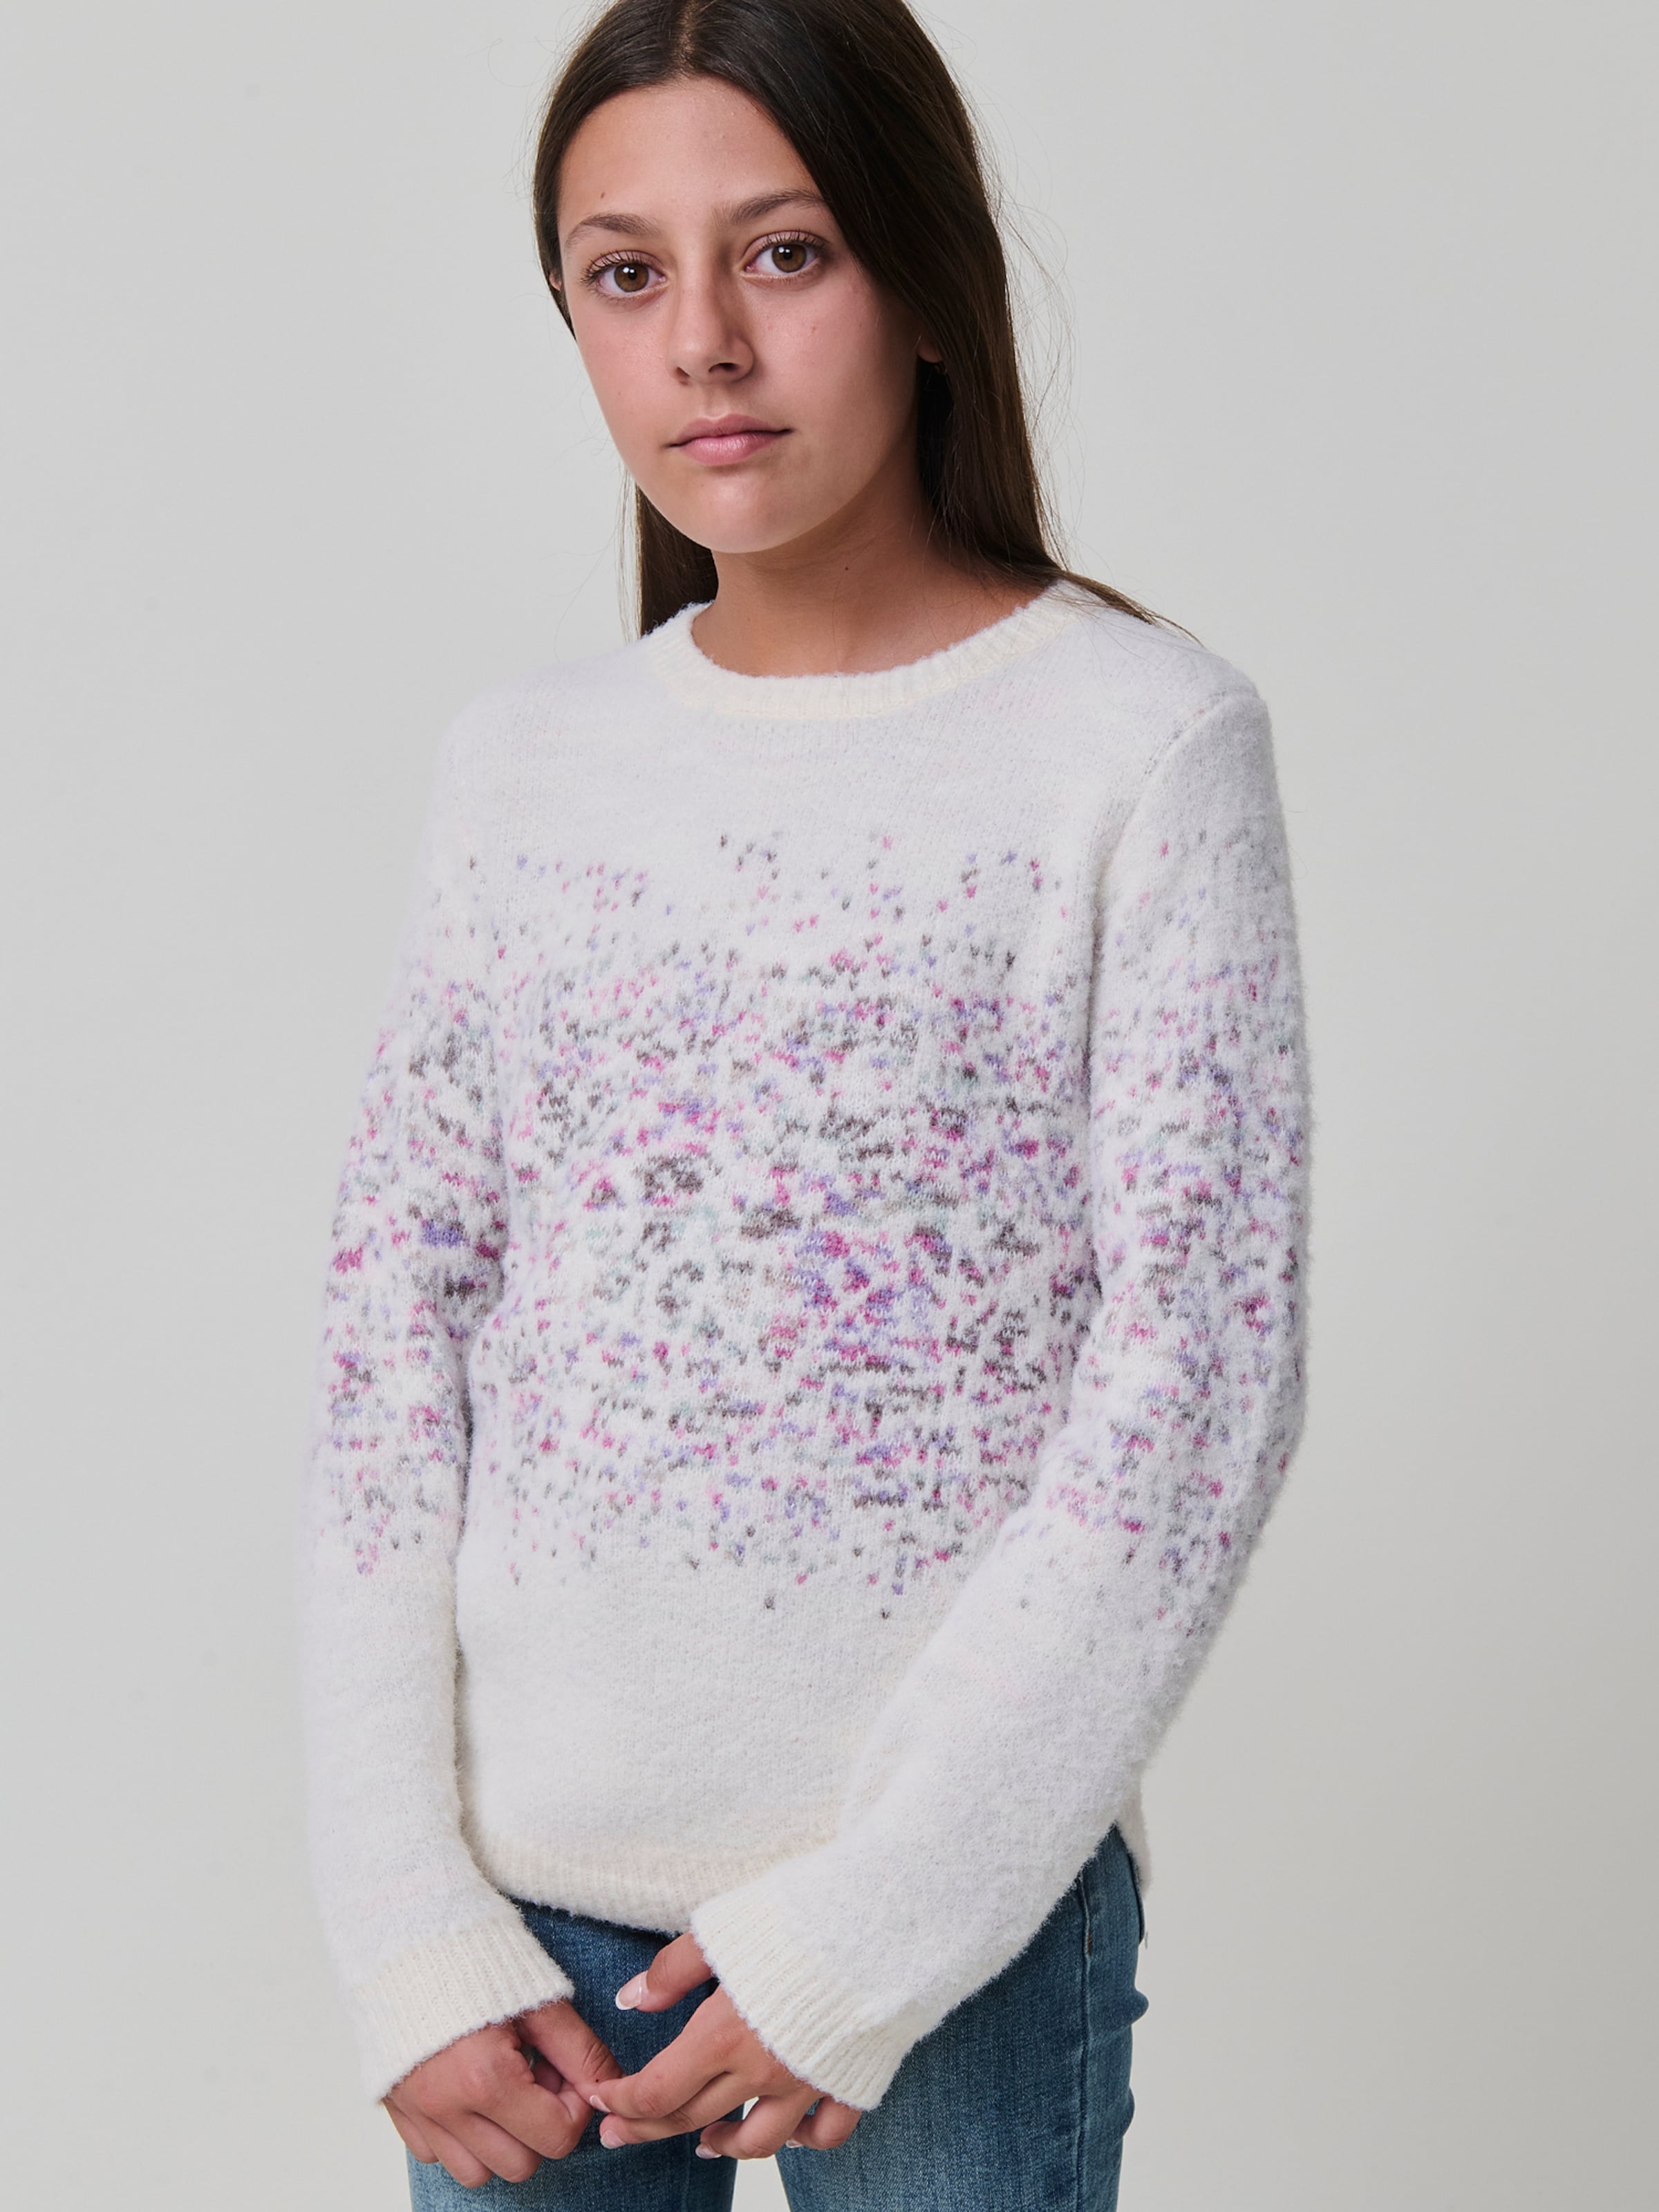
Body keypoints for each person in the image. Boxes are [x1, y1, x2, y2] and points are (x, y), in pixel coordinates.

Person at [297, 1, 1311, 2204]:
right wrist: (401, 1917)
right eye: (625, 273)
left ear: (924, 282)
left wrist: (881, 1923)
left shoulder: (1138, 746)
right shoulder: (525, 769)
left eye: (786, 251)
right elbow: (393, 1337)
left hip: (953, 1930)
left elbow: (1199, 1380)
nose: (705, 343)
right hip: (522, 1944)